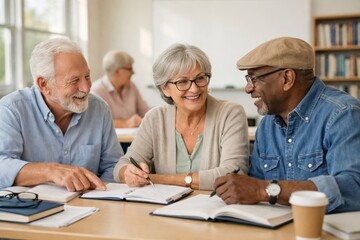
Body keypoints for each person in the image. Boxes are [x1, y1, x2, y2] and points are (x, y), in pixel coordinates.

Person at [213, 37, 360, 213]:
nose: (248, 88)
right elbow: (255, 187)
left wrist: (263, 190)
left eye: (253, 79)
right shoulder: (266, 126)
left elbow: (353, 188)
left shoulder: (343, 114)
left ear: (287, 78)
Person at [113, 43, 249, 190]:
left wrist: (157, 178)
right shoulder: (155, 118)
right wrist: (128, 173)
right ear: (164, 88)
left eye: (200, 78)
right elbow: (121, 166)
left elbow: (234, 174)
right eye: (182, 82)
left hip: (213, 210)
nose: (194, 88)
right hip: (163, 211)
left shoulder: (230, 113)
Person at [0, 37, 124, 191]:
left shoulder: (99, 109)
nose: (86, 88)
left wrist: (98, 194)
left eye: (87, 77)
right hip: (32, 207)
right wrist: (51, 171)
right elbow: (2, 165)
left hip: (90, 206)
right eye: (74, 81)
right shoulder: (12, 110)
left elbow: (113, 165)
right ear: (44, 84)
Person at [91, 51, 150, 128]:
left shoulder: (132, 86)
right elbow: (96, 121)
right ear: (117, 71)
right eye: (130, 69)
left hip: (133, 138)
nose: (133, 73)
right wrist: (126, 123)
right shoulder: (96, 91)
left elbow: (145, 112)